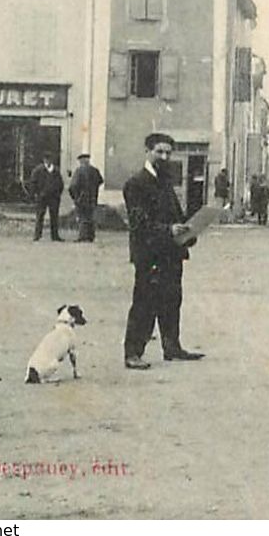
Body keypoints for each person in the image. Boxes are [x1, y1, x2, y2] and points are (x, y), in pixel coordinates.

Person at [123, 132, 204, 369]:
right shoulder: (135, 183)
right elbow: (139, 223)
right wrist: (170, 230)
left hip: (171, 253)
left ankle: (172, 347)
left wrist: (188, 231)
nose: (165, 156)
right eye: (159, 151)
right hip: (149, 254)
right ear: (147, 151)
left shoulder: (165, 181)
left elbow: (175, 216)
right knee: (144, 303)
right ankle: (132, 353)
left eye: (168, 152)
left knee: (172, 300)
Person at [29, 154, 65, 242]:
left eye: (49, 160)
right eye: (46, 160)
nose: (48, 161)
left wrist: (57, 194)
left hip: (53, 197)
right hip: (42, 197)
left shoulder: (56, 171)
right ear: (44, 160)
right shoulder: (38, 170)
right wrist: (35, 194)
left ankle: (55, 236)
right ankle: (37, 235)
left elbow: (60, 184)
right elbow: (33, 183)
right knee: (40, 215)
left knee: (54, 217)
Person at [68, 153, 103, 243]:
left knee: (82, 217)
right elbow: (100, 181)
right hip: (92, 198)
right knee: (91, 217)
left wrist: (75, 197)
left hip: (82, 198)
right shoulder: (95, 171)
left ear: (81, 161)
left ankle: (83, 236)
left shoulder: (79, 171)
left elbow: (73, 186)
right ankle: (91, 236)